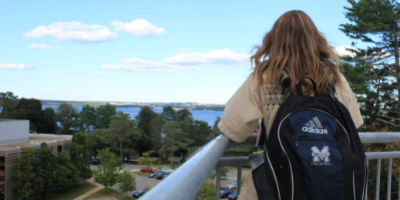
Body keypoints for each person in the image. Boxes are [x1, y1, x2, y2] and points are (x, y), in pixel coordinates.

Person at [217, 10, 363, 200]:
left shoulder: (264, 76)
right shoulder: (334, 77)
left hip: (279, 184)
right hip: (330, 185)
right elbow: (354, 123)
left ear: (274, 40)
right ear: (315, 40)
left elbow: (233, 127)